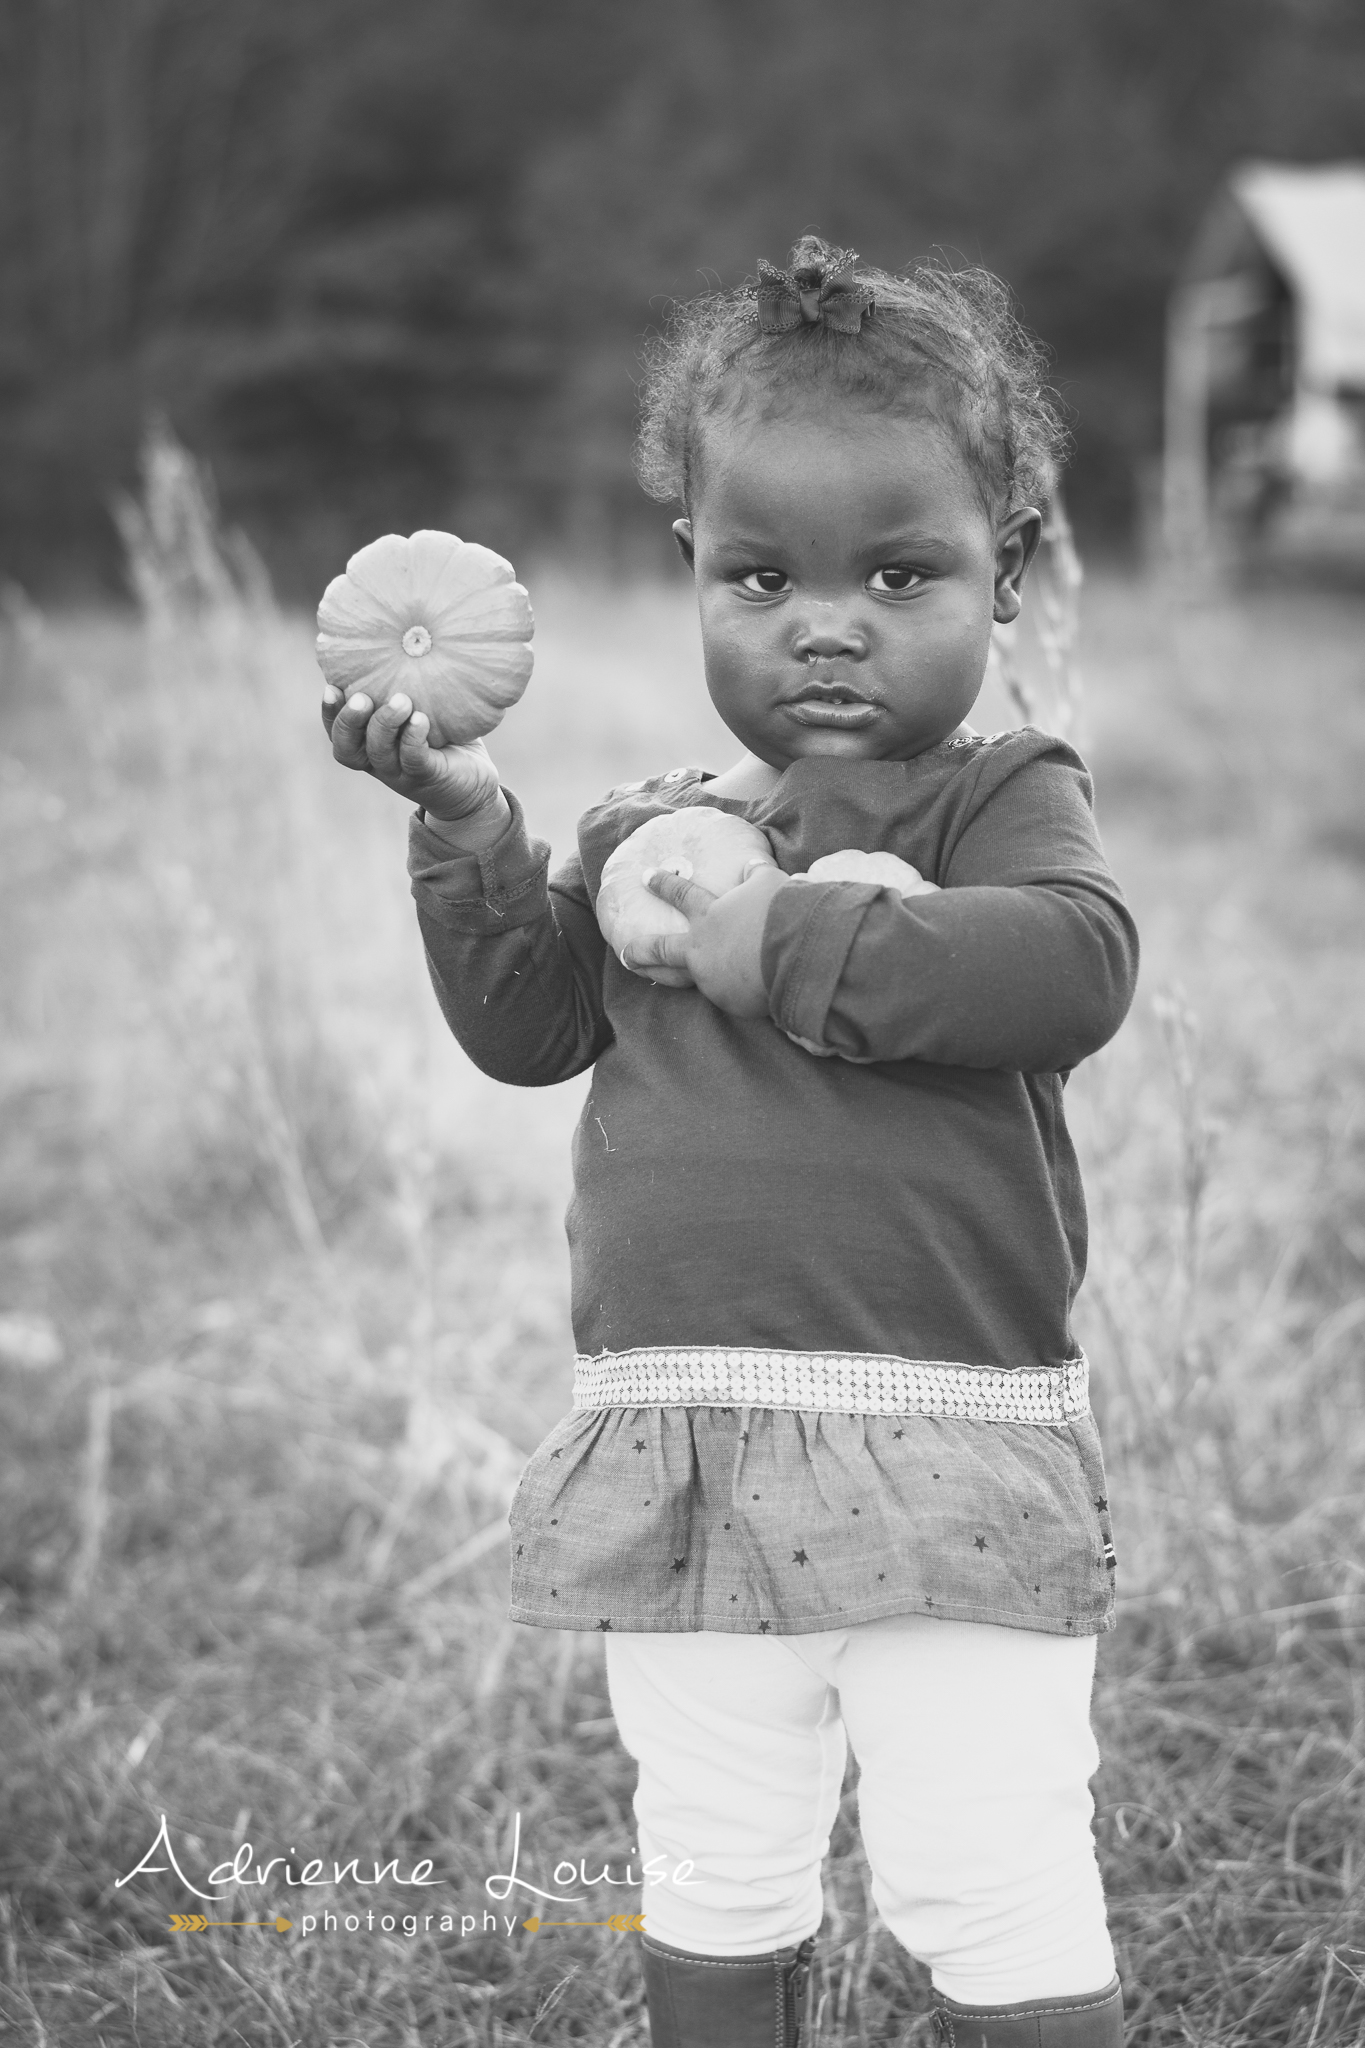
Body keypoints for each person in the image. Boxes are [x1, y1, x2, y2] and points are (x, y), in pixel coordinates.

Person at [323, 237, 1138, 2048]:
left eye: (898, 571)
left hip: (948, 1448)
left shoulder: (1001, 797)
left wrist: (772, 938)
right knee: (713, 1863)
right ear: (688, 564)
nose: (825, 621)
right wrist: (467, 827)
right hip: (681, 1438)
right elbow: (526, 1030)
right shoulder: (646, 826)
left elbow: (1068, 972)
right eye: (760, 574)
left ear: (1001, 574)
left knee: (988, 1878)